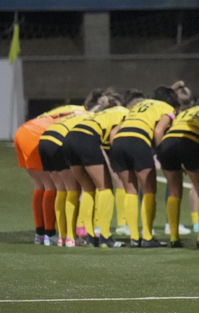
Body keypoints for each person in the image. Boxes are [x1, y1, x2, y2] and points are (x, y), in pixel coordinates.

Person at [110, 86, 179, 248]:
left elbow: (113, 133)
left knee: (130, 191)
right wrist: (163, 155)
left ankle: (134, 238)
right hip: (138, 140)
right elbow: (158, 131)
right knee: (149, 190)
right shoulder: (167, 108)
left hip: (118, 142)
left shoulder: (138, 106)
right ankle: (147, 237)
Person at [14, 102, 84, 244]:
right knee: (52, 186)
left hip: (24, 131)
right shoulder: (86, 115)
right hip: (37, 136)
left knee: (41, 185)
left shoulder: (74, 108)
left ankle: (41, 233)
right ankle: (50, 233)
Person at [63, 100, 129, 247]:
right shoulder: (127, 114)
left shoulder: (104, 114)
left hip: (70, 138)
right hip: (87, 137)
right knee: (105, 188)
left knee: (88, 189)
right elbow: (113, 137)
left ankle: (90, 237)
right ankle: (105, 237)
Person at [158, 102, 199, 248]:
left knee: (174, 192)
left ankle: (174, 237)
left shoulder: (184, 113)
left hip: (167, 142)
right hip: (189, 141)